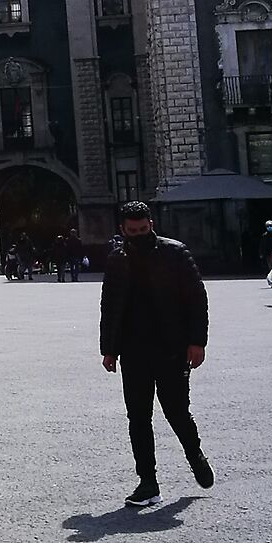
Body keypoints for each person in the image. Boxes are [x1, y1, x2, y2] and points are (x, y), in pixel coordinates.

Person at [99, 199, 213, 510]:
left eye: (144, 229)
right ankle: (148, 481)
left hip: (171, 347)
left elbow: (196, 298)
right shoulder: (116, 259)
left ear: (152, 225)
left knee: (176, 411)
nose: (139, 234)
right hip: (133, 351)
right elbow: (108, 306)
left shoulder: (175, 252)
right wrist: (108, 349)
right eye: (132, 230)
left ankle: (194, 454)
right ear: (123, 230)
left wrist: (197, 342)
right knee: (138, 417)